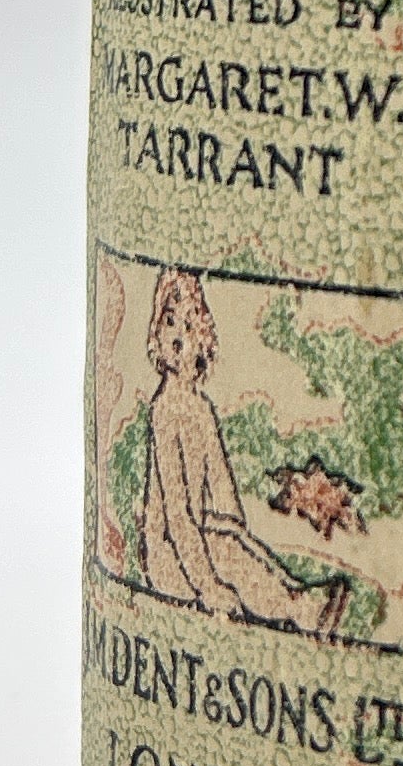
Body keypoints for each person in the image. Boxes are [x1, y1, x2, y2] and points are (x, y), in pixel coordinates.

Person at [139, 268, 346, 635]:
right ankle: (298, 608)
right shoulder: (165, 410)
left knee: (232, 541)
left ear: (203, 339)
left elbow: (224, 492)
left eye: (188, 325)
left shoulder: (201, 410)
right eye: (169, 321)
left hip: (199, 536)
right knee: (226, 548)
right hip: (168, 553)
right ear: (156, 330)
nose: (177, 335)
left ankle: (295, 597)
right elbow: (177, 515)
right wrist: (209, 587)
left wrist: (235, 534)